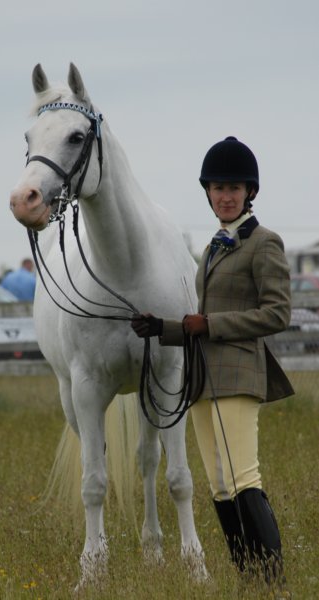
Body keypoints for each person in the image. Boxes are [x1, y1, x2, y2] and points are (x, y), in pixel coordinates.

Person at [131, 136, 294, 588]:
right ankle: (249, 579)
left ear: (249, 193)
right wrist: (160, 328)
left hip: (239, 376)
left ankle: (273, 583)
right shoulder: (214, 247)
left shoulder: (264, 243)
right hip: (202, 380)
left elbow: (277, 313)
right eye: (218, 187)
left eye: (234, 188)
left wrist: (211, 325)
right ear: (208, 192)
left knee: (243, 477)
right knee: (220, 487)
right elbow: (199, 320)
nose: (225, 195)